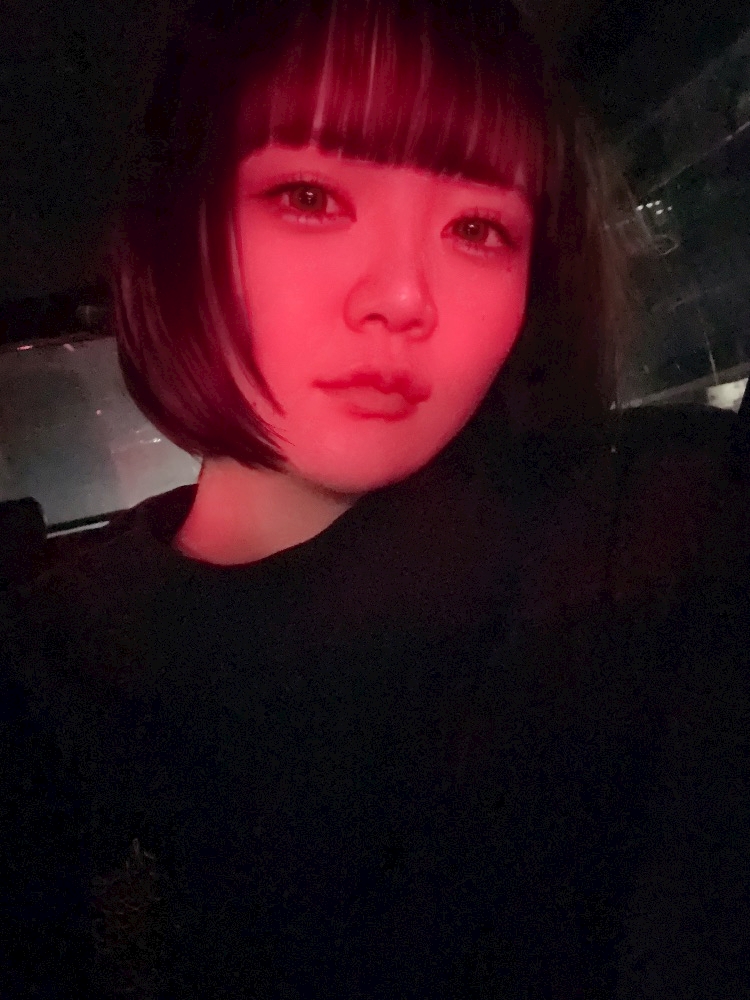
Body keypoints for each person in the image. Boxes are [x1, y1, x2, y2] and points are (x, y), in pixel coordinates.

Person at [1, 0, 748, 996]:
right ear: (175, 228)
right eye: (310, 196)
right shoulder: (42, 681)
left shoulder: (652, 535)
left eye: (478, 227)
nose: (402, 296)